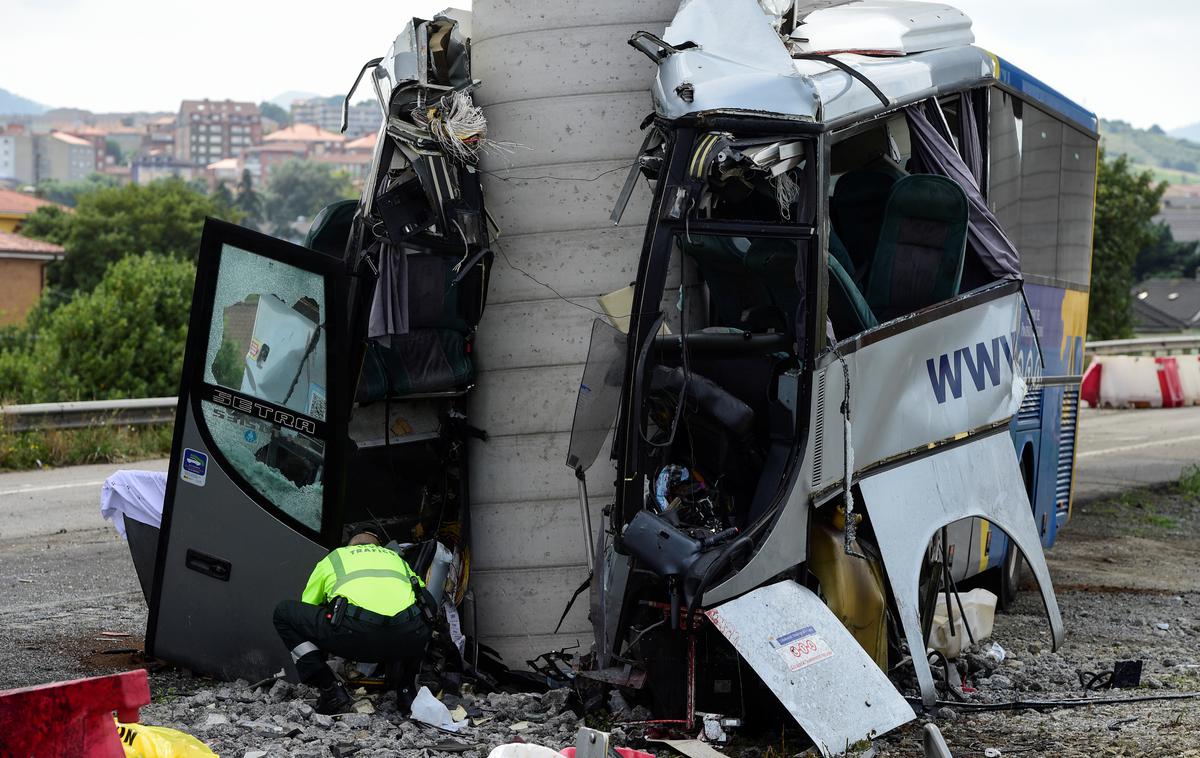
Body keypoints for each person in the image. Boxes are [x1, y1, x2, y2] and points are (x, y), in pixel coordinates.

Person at [273, 529, 433, 714]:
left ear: (350, 545)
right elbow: (427, 601)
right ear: (378, 546)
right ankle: (406, 690)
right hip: (406, 640)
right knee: (423, 614)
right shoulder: (396, 559)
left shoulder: (336, 557)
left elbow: (309, 605)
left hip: (352, 638)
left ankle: (330, 688)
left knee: (284, 613)